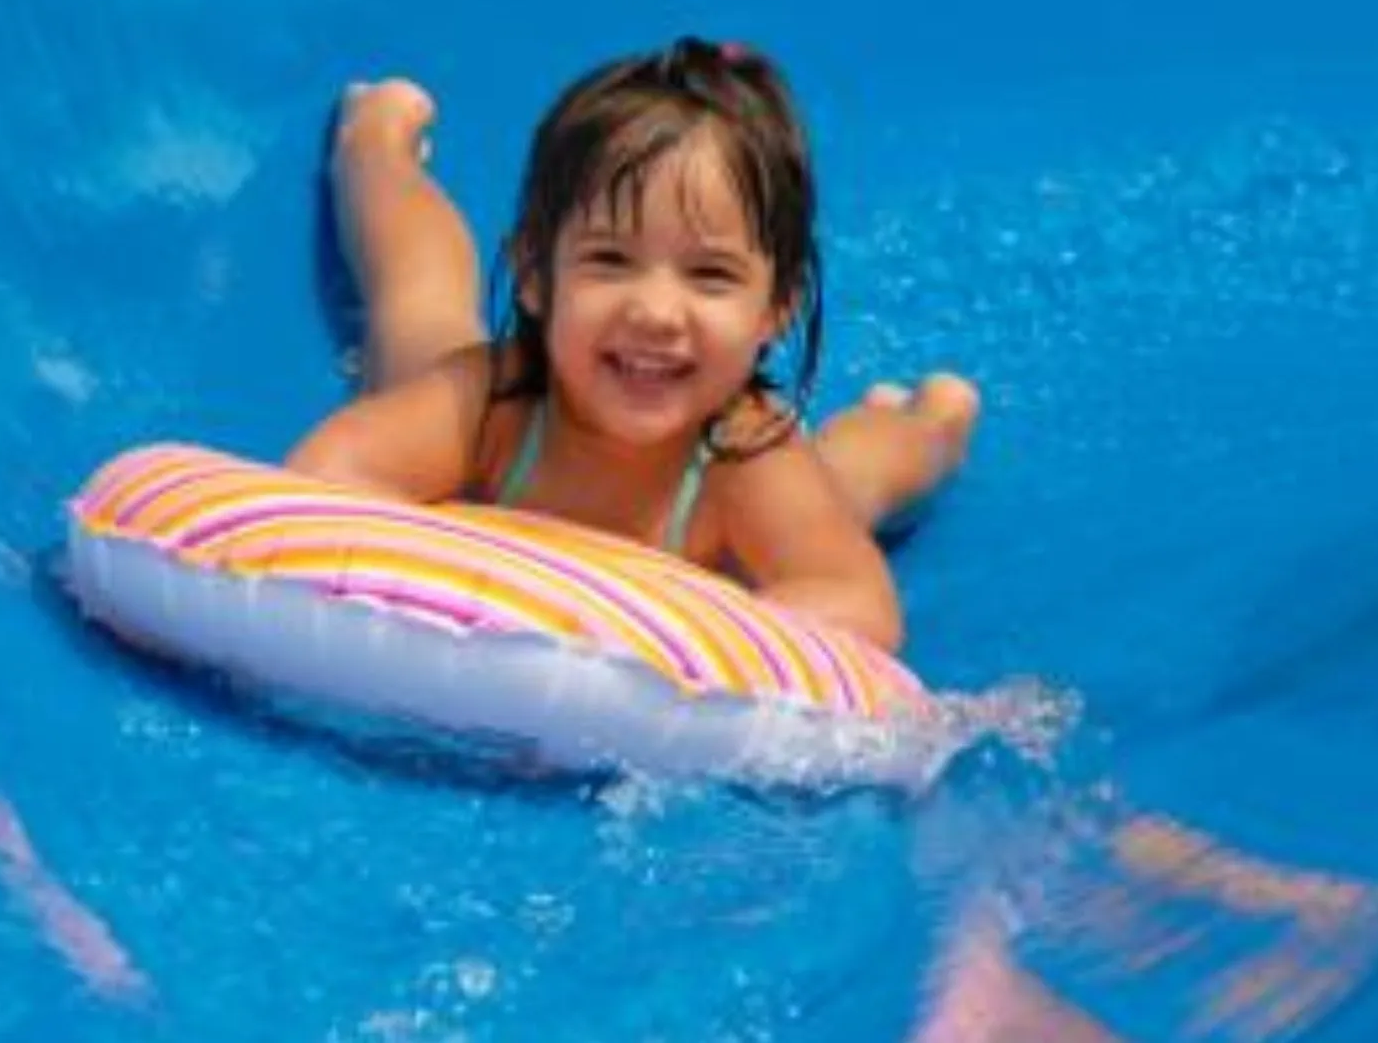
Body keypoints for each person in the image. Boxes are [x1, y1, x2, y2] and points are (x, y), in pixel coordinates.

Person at [285, 36, 979, 654]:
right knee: (419, 300)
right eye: (610, 261)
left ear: (775, 309)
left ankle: (931, 421)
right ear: (533, 274)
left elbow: (858, 603)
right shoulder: (491, 401)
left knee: (846, 483)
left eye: (710, 275)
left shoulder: (747, 452)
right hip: (514, 394)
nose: (654, 313)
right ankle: (372, 148)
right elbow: (326, 471)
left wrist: (686, 640)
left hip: (726, 521)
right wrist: (450, 578)